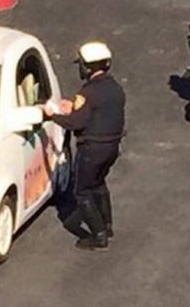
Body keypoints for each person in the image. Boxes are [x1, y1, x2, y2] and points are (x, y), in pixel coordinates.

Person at [44, 41, 126, 251]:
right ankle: (107, 225)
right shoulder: (115, 88)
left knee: (82, 190)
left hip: (92, 148)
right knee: (98, 183)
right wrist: (73, 106)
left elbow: (76, 123)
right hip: (112, 147)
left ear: (87, 67)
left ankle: (98, 235)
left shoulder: (88, 92)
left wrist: (53, 115)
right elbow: (97, 112)